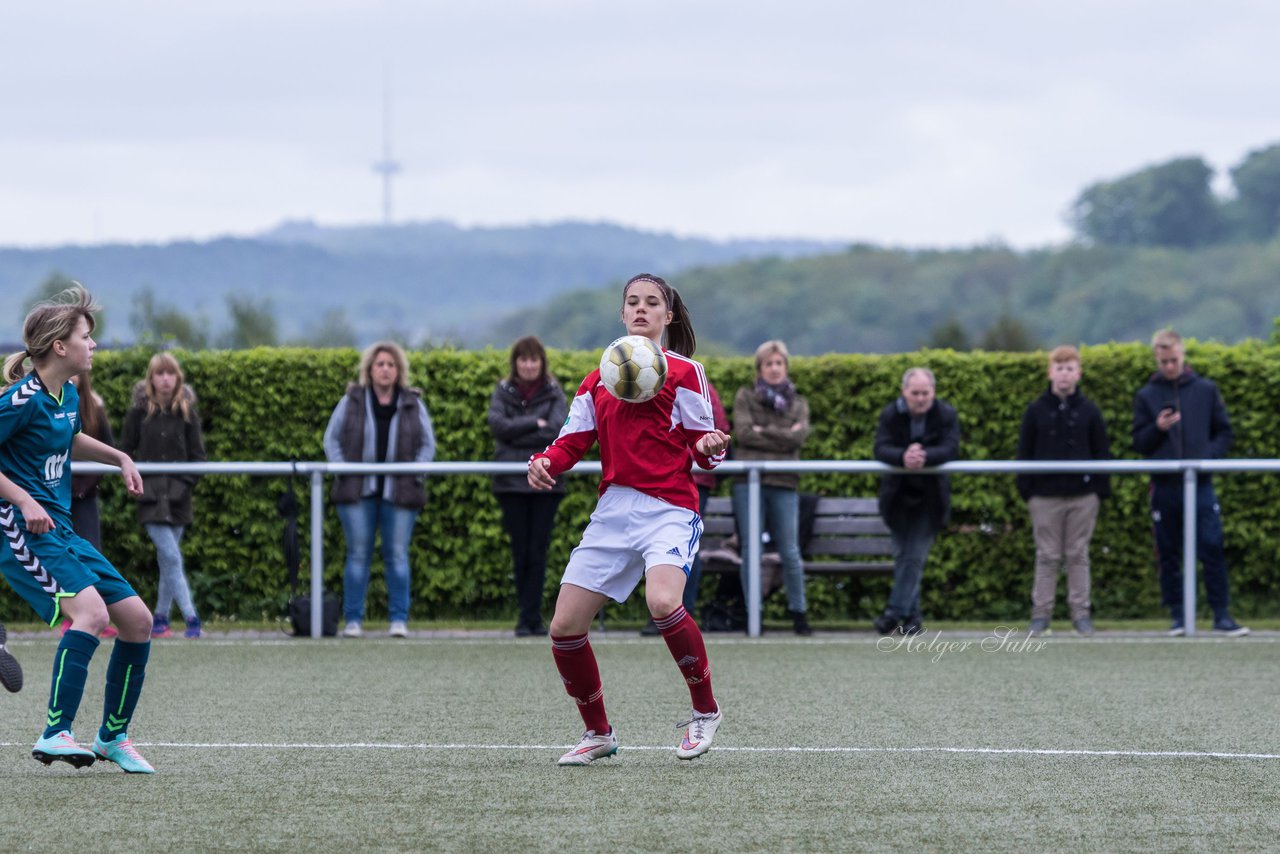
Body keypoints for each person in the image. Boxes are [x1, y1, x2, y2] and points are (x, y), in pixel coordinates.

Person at [528, 273, 730, 766]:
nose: (641, 309)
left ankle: (705, 710)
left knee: (662, 602)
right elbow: (573, 439)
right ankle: (599, 734)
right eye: (633, 302)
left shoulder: (687, 372)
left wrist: (708, 447)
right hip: (615, 507)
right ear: (622, 314)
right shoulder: (599, 376)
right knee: (564, 627)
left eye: (652, 303)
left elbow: (707, 445)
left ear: (669, 315)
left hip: (670, 507)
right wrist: (546, 463)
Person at [0, 285, 155, 772]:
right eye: (87, 337)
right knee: (89, 613)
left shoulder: (65, 394)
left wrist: (119, 457)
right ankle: (55, 731)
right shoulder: (21, 399)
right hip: (23, 531)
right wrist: (23, 499)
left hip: (61, 530)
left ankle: (112, 737)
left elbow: (69, 436)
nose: (95, 345)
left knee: (137, 620)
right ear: (60, 347)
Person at [1132, 329, 1248, 637]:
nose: (1169, 366)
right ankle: (1178, 616)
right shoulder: (1147, 395)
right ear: (1157, 359)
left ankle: (1221, 615)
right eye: (1163, 361)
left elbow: (1224, 433)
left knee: (1211, 545)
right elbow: (1139, 442)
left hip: (1201, 485)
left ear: (1182, 355)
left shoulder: (1206, 390)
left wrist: (1205, 459)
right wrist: (1157, 429)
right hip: (1165, 487)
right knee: (1168, 552)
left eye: (1173, 360)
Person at [324, 341, 436, 639]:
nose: (385, 370)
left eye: (390, 365)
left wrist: (416, 473)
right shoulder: (352, 400)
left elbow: (428, 444)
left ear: (398, 370)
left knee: (397, 555)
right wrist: (343, 470)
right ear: (369, 370)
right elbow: (331, 439)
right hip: (357, 492)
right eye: (380, 364)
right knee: (358, 554)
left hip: (399, 493)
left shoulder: (412, 401)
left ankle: (398, 619)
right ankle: (353, 620)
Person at [1016, 346, 1111, 637]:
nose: (1064, 374)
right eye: (1059, 368)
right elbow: (1025, 451)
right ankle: (1041, 614)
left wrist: (1098, 490)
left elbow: (1101, 452)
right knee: (1047, 555)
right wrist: (1029, 490)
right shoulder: (1035, 410)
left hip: (1082, 495)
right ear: (1050, 372)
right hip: (1045, 495)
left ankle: (1080, 613)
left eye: (1070, 368)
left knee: (1077, 553)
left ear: (1078, 373)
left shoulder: (1090, 411)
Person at [120, 352, 208, 640]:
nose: (165, 379)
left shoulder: (187, 413)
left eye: (170, 373)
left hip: (179, 499)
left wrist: (182, 486)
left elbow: (198, 459)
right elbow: (125, 452)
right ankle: (191, 617)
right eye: (160, 373)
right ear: (151, 378)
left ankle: (160, 618)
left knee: (168, 560)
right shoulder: (137, 414)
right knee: (171, 556)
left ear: (177, 377)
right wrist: (137, 481)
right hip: (149, 498)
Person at [729, 340, 812, 636]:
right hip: (748, 483)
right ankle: (754, 615)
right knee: (751, 549)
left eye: (779, 363)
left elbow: (798, 438)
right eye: (769, 364)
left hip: (785, 482)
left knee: (790, 550)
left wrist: (765, 433)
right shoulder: (745, 397)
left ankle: (799, 614)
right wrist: (782, 436)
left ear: (786, 367)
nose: (775, 369)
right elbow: (744, 434)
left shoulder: (799, 403)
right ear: (759, 369)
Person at [488, 335, 568, 637]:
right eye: (524, 359)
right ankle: (525, 616)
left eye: (534, 359)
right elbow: (498, 426)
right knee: (520, 552)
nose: (529, 365)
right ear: (515, 363)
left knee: (538, 552)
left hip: (547, 482)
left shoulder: (554, 392)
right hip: (511, 484)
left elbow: (558, 431)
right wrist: (535, 424)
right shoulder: (502, 391)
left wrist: (518, 431)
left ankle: (532, 617)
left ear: (542, 362)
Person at [872, 367, 960, 636]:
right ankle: (912, 619)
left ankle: (892, 614)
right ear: (904, 393)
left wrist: (924, 457)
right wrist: (903, 457)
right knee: (904, 557)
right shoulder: (889, 414)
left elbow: (950, 447)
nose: (921, 398)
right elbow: (881, 447)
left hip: (930, 499)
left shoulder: (946, 414)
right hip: (897, 497)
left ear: (933, 392)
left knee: (914, 557)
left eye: (925, 393)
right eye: (915, 393)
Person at [640, 378, 728, 636]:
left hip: (691, 478)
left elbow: (718, 428)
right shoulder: (644, 383)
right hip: (654, 479)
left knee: (686, 548)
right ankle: (664, 611)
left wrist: (697, 449)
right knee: (654, 545)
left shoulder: (697, 382)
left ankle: (679, 611)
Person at [59, 371, 119, 638]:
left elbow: (102, 447)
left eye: (76, 375)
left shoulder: (94, 406)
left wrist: (86, 485)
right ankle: (72, 615)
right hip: (56, 498)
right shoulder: (43, 403)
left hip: (85, 496)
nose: (72, 377)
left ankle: (95, 614)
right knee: (62, 556)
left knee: (92, 554)